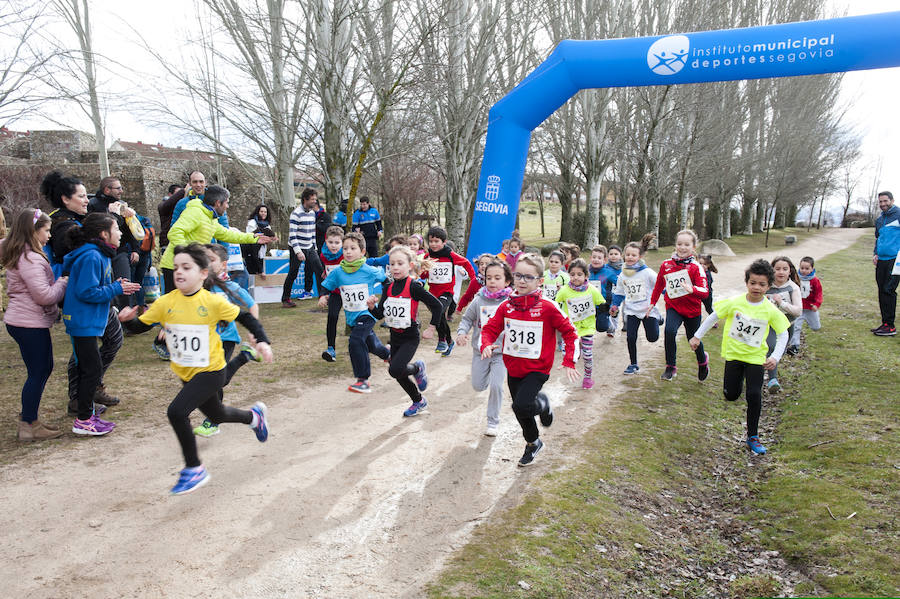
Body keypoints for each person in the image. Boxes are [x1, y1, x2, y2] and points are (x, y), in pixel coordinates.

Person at [120, 243, 273, 495]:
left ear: (203, 273)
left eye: (186, 267)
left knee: (176, 412)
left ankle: (194, 469)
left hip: (211, 371)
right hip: (185, 373)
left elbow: (245, 317)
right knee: (217, 414)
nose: (179, 272)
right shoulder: (165, 302)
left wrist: (263, 341)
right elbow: (140, 326)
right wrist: (126, 321)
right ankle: (254, 417)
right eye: (176, 267)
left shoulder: (212, 301)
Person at [480, 254, 579, 466]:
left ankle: (542, 404)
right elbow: (489, 328)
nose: (522, 280)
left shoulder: (548, 307)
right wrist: (486, 343)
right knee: (522, 410)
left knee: (521, 405)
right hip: (514, 367)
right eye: (518, 275)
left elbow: (570, 332)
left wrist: (569, 360)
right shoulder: (507, 306)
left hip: (537, 368)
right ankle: (533, 442)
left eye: (528, 277)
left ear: (539, 281)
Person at [689, 259, 791, 455]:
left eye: (762, 284)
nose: (756, 287)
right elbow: (713, 316)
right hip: (734, 356)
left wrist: (775, 357)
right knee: (731, 395)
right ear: (747, 282)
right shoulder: (736, 302)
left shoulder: (769, 309)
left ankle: (753, 436)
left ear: (768, 286)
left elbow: (783, 333)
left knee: (754, 395)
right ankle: (738, 383)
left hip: (755, 359)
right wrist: (697, 336)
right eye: (753, 283)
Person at [41, 171, 121, 415]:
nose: (87, 200)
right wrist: (110, 220)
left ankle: (89, 388)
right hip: (80, 301)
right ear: (66, 199)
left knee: (108, 342)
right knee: (86, 352)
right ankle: (80, 397)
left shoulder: (74, 221)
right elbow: (80, 260)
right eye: (82, 196)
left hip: (93, 295)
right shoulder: (65, 225)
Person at [61, 213, 142, 435]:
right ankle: (84, 421)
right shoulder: (92, 256)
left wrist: (115, 285)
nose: (120, 233)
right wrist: (116, 289)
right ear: (104, 234)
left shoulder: (101, 255)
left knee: (91, 369)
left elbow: (95, 286)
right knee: (90, 370)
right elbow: (86, 292)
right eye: (117, 229)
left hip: (89, 320)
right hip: (82, 321)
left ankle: (87, 416)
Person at [1, 208, 67, 441]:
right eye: (46, 230)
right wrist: (63, 282)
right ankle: (28, 424)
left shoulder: (23, 252)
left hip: (25, 321)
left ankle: (31, 420)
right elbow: (45, 296)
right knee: (38, 372)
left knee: (41, 369)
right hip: (28, 323)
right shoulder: (29, 259)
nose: (49, 235)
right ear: (33, 231)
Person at [192, 244, 263, 438]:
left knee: (215, 381)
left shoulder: (229, 286)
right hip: (204, 341)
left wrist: (255, 331)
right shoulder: (197, 286)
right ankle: (246, 356)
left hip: (226, 339)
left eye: (211, 259)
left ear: (223, 265)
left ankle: (212, 421)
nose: (206, 262)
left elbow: (252, 305)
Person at [160, 185, 273, 297]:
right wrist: (190, 255)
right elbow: (174, 232)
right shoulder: (195, 212)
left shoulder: (210, 218)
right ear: (218, 203)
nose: (227, 206)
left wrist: (253, 238)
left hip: (191, 267)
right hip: (174, 267)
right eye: (226, 203)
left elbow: (227, 234)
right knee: (175, 308)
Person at [369, 246, 442, 417]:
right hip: (395, 336)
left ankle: (417, 369)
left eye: (399, 263)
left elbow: (437, 306)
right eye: (392, 264)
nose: (395, 267)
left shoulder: (414, 286)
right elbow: (381, 314)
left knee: (395, 369)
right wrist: (372, 307)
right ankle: (418, 401)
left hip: (410, 336)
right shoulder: (388, 288)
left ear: (410, 265)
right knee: (397, 371)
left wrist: (432, 328)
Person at [317, 231, 390, 393]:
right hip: (352, 317)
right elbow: (326, 285)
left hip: (367, 314)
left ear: (362, 251)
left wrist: (384, 302)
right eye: (345, 248)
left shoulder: (369, 270)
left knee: (356, 341)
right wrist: (323, 296)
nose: (348, 252)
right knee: (372, 345)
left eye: (353, 248)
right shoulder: (338, 272)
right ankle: (388, 355)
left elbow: (387, 282)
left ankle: (363, 380)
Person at [457, 259, 512, 436]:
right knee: (478, 386)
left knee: (497, 386)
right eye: (489, 278)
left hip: (501, 353)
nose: (493, 282)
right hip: (480, 351)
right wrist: (461, 332)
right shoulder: (479, 299)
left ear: (507, 281)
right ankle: (486, 377)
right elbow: (466, 319)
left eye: (497, 278)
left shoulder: (512, 301)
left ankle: (493, 422)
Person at [647, 229, 710, 382]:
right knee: (669, 331)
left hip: (692, 309)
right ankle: (670, 366)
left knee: (693, 339)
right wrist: (652, 303)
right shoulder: (666, 264)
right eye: (679, 244)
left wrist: (692, 289)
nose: (682, 247)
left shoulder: (696, 267)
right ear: (675, 245)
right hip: (673, 306)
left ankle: (702, 362)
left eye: (686, 244)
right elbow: (659, 285)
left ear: (693, 247)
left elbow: (705, 291)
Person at [88, 177, 142, 311]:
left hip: (120, 252)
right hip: (100, 253)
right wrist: (111, 213)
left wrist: (135, 249)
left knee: (125, 285)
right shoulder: (93, 204)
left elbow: (129, 229)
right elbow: (97, 229)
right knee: (107, 287)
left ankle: (127, 318)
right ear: (107, 190)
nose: (121, 191)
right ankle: (113, 317)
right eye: (118, 188)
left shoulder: (121, 204)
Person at [423, 225, 476, 357]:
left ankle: (440, 339)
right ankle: (449, 341)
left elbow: (466, 263)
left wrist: (473, 278)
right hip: (432, 293)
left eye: (437, 241)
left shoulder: (450, 255)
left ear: (444, 242)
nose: (433, 244)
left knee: (439, 309)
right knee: (440, 317)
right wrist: (422, 271)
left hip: (447, 292)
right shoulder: (427, 256)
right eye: (431, 241)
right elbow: (424, 275)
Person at [610, 239, 661, 375]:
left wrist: (668, 294)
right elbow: (619, 293)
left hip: (648, 311)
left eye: (634, 255)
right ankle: (633, 364)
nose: (630, 257)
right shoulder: (622, 275)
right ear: (624, 256)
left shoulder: (648, 272)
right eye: (628, 255)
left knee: (653, 338)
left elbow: (660, 285)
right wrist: (614, 305)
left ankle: (658, 319)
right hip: (631, 310)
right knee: (630, 337)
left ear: (640, 257)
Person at [555, 258, 605, 389]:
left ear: (586, 276)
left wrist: (609, 311)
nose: (575, 277)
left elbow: (602, 302)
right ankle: (575, 356)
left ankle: (588, 378)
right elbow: (554, 304)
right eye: (572, 274)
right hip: (570, 329)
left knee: (588, 355)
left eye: (579, 274)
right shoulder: (564, 291)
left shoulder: (592, 290)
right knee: (569, 354)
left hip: (587, 328)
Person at [764, 256, 802, 393]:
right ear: (771, 270)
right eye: (777, 269)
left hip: (788, 323)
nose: (781, 272)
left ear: (790, 271)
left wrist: (782, 303)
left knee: (780, 349)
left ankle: (768, 367)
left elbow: (798, 311)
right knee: (772, 346)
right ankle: (772, 380)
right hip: (771, 323)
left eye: (784, 269)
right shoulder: (766, 285)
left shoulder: (793, 288)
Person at [284, 188, 325, 307]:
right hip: (296, 247)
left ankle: (324, 297)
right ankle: (286, 299)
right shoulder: (296, 214)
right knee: (293, 273)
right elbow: (292, 235)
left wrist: (315, 248)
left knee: (319, 270)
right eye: (312, 199)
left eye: (315, 199)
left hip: (310, 247)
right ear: (305, 200)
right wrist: (298, 252)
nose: (314, 201)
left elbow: (312, 232)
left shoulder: (312, 213)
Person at [872, 191, 900, 336]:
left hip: (895, 260)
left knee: (889, 290)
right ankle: (885, 324)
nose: (883, 204)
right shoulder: (879, 219)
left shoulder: (898, 215)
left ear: (892, 200)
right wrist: (875, 253)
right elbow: (878, 238)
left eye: (885, 201)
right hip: (881, 260)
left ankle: (890, 326)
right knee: (882, 290)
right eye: (881, 202)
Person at [319, 226, 345, 362]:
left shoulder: (347, 253)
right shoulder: (323, 256)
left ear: (342, 243)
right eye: (330, 242)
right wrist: (323, 294)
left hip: (350, 291)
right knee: (332, 317)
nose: (333, 246)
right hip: (335, 293)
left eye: (337, 243)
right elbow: (325, 276)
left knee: (356, 320)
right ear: (326, 241)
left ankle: (370, 345)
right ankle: (331, 349)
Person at [789, 256, 823, 353]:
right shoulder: (796, 278)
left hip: (811, 308)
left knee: (815, 327)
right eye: (802, 268)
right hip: (799, 308)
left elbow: (819, 294)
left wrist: (817, 304)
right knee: (796, 327)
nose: (804, 271)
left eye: (807, 268)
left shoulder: (815, 281)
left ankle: (813, 319)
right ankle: (795, 346)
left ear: (812, 269)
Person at [130, 212, 155, 307]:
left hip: (133, 255)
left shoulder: (131, 221)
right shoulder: (145, 221)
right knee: (139, 283)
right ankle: (141, 307)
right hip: (145, 256)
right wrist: (150, 264)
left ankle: (132, 307)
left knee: (131, 283)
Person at [242, 204, 272, 275]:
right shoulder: (252, 223)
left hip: (261, 253)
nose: (263, 213)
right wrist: (260, 270)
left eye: (265, 212)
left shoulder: (267, 225)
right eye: (261, 211)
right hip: (251, 253)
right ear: (257, 212)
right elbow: (253, 241)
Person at [157, 183, 184, 251]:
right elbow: (167, 204)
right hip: (167, 242)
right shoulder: (163, 205)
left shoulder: (182, 205)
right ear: (170, 194)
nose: (179, 196)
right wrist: (184, 191)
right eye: (177, 194)